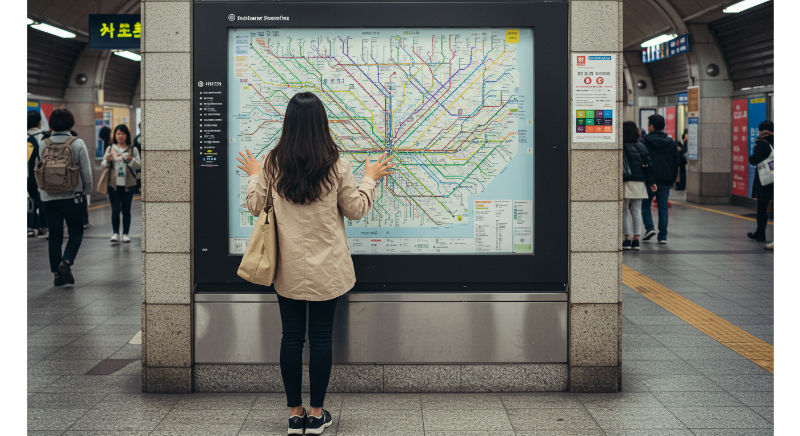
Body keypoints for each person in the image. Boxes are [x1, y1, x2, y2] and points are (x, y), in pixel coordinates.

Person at [237, 92, 394, 436]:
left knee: (291, 338)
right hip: (328, 268)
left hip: (286, 268)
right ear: (321, 124)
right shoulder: (336, 164)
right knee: (321, 339)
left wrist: (254, 173)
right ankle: (317, 413)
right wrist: (370, 177)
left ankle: (295, 415)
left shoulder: (274, 163)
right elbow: (354, 209)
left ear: (288, 124)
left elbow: (254, 205)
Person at [38, 109, 93, 286]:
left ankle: (57, 275)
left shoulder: (43, 143)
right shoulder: (77, 143)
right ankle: (66, 261)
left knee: (54, 236)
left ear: (51, 124)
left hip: (48, 197)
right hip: (72, 196)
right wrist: (88, 190)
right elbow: (86, 170)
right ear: (71, 123)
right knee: (75, 232)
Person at [640, 114, 680, 244]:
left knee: (646, 204)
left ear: (651, 126)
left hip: (649, 179)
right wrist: (672, 179)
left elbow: (642, 161)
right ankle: (662, 236)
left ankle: (649, 227)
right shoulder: (671, 142)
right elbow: (676, 162)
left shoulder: (644, 141)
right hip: (665, 179)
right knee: (663, 207)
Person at [101, 124, 141, 243]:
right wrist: (107, 161)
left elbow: (139, 165)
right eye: (118, 133)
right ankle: (115, 233)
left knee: (126, 210)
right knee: (115, 210)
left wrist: (130, 160)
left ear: (127, 135)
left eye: (123, 134)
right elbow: (103, 165)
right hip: (113, 184)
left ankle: (125, 234)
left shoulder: (132, 149)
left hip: (128, 184)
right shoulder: (110, 149)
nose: (120, 136)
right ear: (115, 135)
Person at [622, 121, 657, 250]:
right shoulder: (641, 146)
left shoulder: (621, 146)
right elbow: (648, 166)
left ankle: (626, 239)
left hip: (624, 181)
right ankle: (636, 240)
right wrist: (651, 182)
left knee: (624, 211)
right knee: (636, 210)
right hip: (640, 182)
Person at [747, 120, 773, 243]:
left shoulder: (761, 143)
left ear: (761, 131)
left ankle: (760, 233)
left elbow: (755, 159)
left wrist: (750, 158)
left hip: (766, 180)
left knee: (762, 207)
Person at [27, 111, 49, 238]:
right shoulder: (44, 137)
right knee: (42, 201)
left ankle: (30, 227)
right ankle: (42, 227)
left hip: (26, 175)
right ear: (39, 122)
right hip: (40, 175)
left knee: (29, 201)